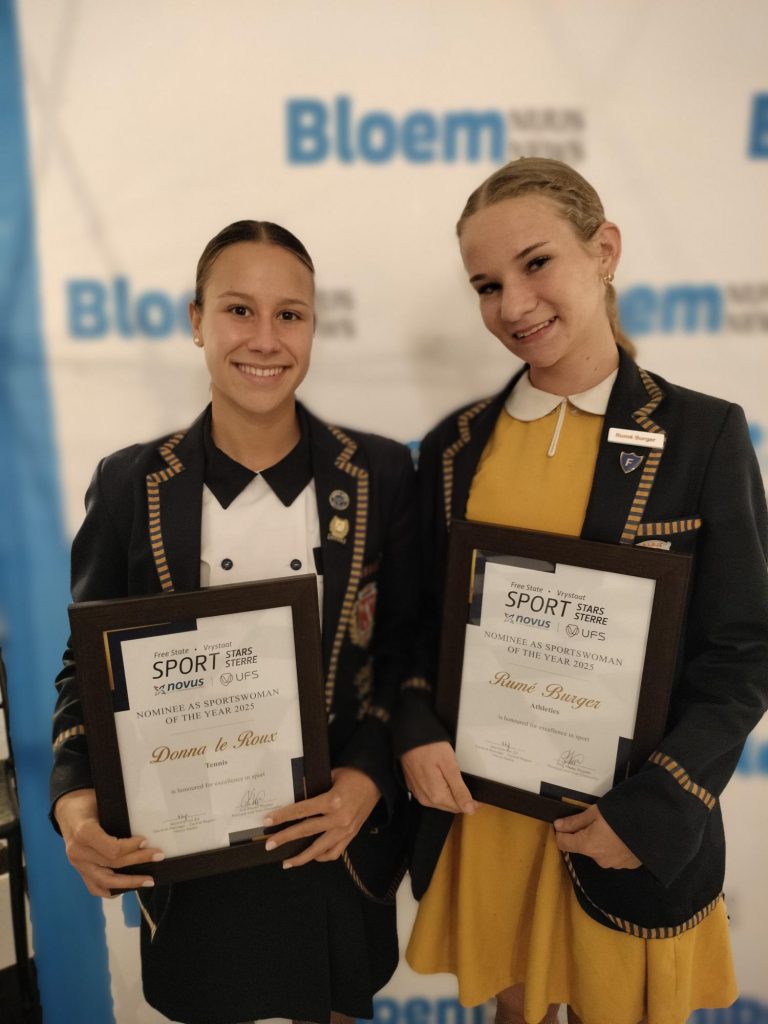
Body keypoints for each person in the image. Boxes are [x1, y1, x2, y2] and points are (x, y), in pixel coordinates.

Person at [395, 158, 768, 1024]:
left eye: (536, 264)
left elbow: (744, 650)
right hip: (489, 818)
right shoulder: (454, 449)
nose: (513, 305)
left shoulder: (704, 434)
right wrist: (415, 728)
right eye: (487, 285)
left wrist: (659, 805)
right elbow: (416, 628)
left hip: (627, 822)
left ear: (604, 251)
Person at [50, 220, 419, 1024]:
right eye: (238, 310)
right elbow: (88, 668)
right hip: (188, 857)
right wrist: (75, 806)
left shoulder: (381, 472)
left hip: (332, 845)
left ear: (314, 326)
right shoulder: (130, 484)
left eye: (290, 314)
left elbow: (403, 652)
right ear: (196, 320)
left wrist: (366, 779)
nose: (265, 339)